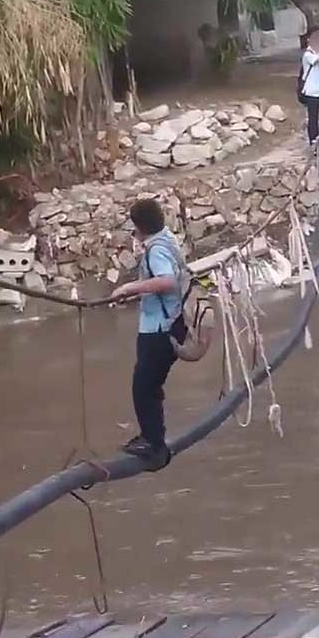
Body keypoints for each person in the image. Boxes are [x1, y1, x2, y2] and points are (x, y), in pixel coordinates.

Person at [111, 199, 188, 468]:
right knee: (150, 385)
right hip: (174, 322)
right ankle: (152, 437)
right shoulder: (167, 239)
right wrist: (138, 293)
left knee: (143, 387)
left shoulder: (155, 250)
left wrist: (129, 288)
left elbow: (166, 281)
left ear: (140, 227)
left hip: (159, 329)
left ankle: (154, 444)